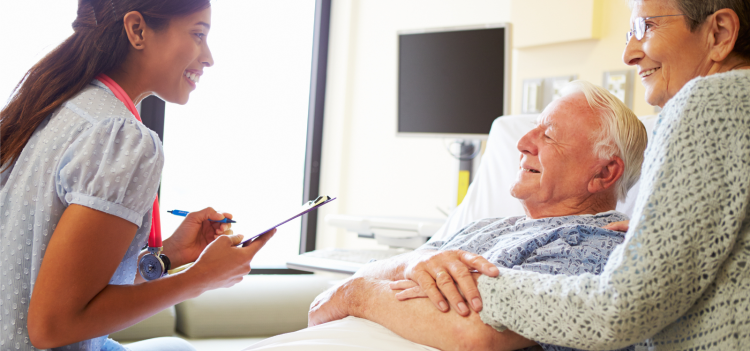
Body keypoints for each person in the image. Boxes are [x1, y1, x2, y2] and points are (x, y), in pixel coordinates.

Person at [373, 0, 750, 350]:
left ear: (719, 33)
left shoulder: (708, 104)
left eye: (646, 27)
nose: (629, 53)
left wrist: (465, 285)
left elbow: (618, 312)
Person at [244, 81, 648, 351]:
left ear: (604, 173)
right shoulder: (482, 228)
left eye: (549, 135)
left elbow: (471, 333)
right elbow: (319, 307)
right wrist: (410, 263)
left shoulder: (600, 248)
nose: (523, 143)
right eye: (532, 130)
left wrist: (359, 294)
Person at [0, 0, 275, 350]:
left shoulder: (47, 108)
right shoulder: (124, 139)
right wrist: (198, 279)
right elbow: (54, 326)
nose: (208, 57)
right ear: (137, 30)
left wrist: (166, 259)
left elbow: (61, 279)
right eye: (198, 34)